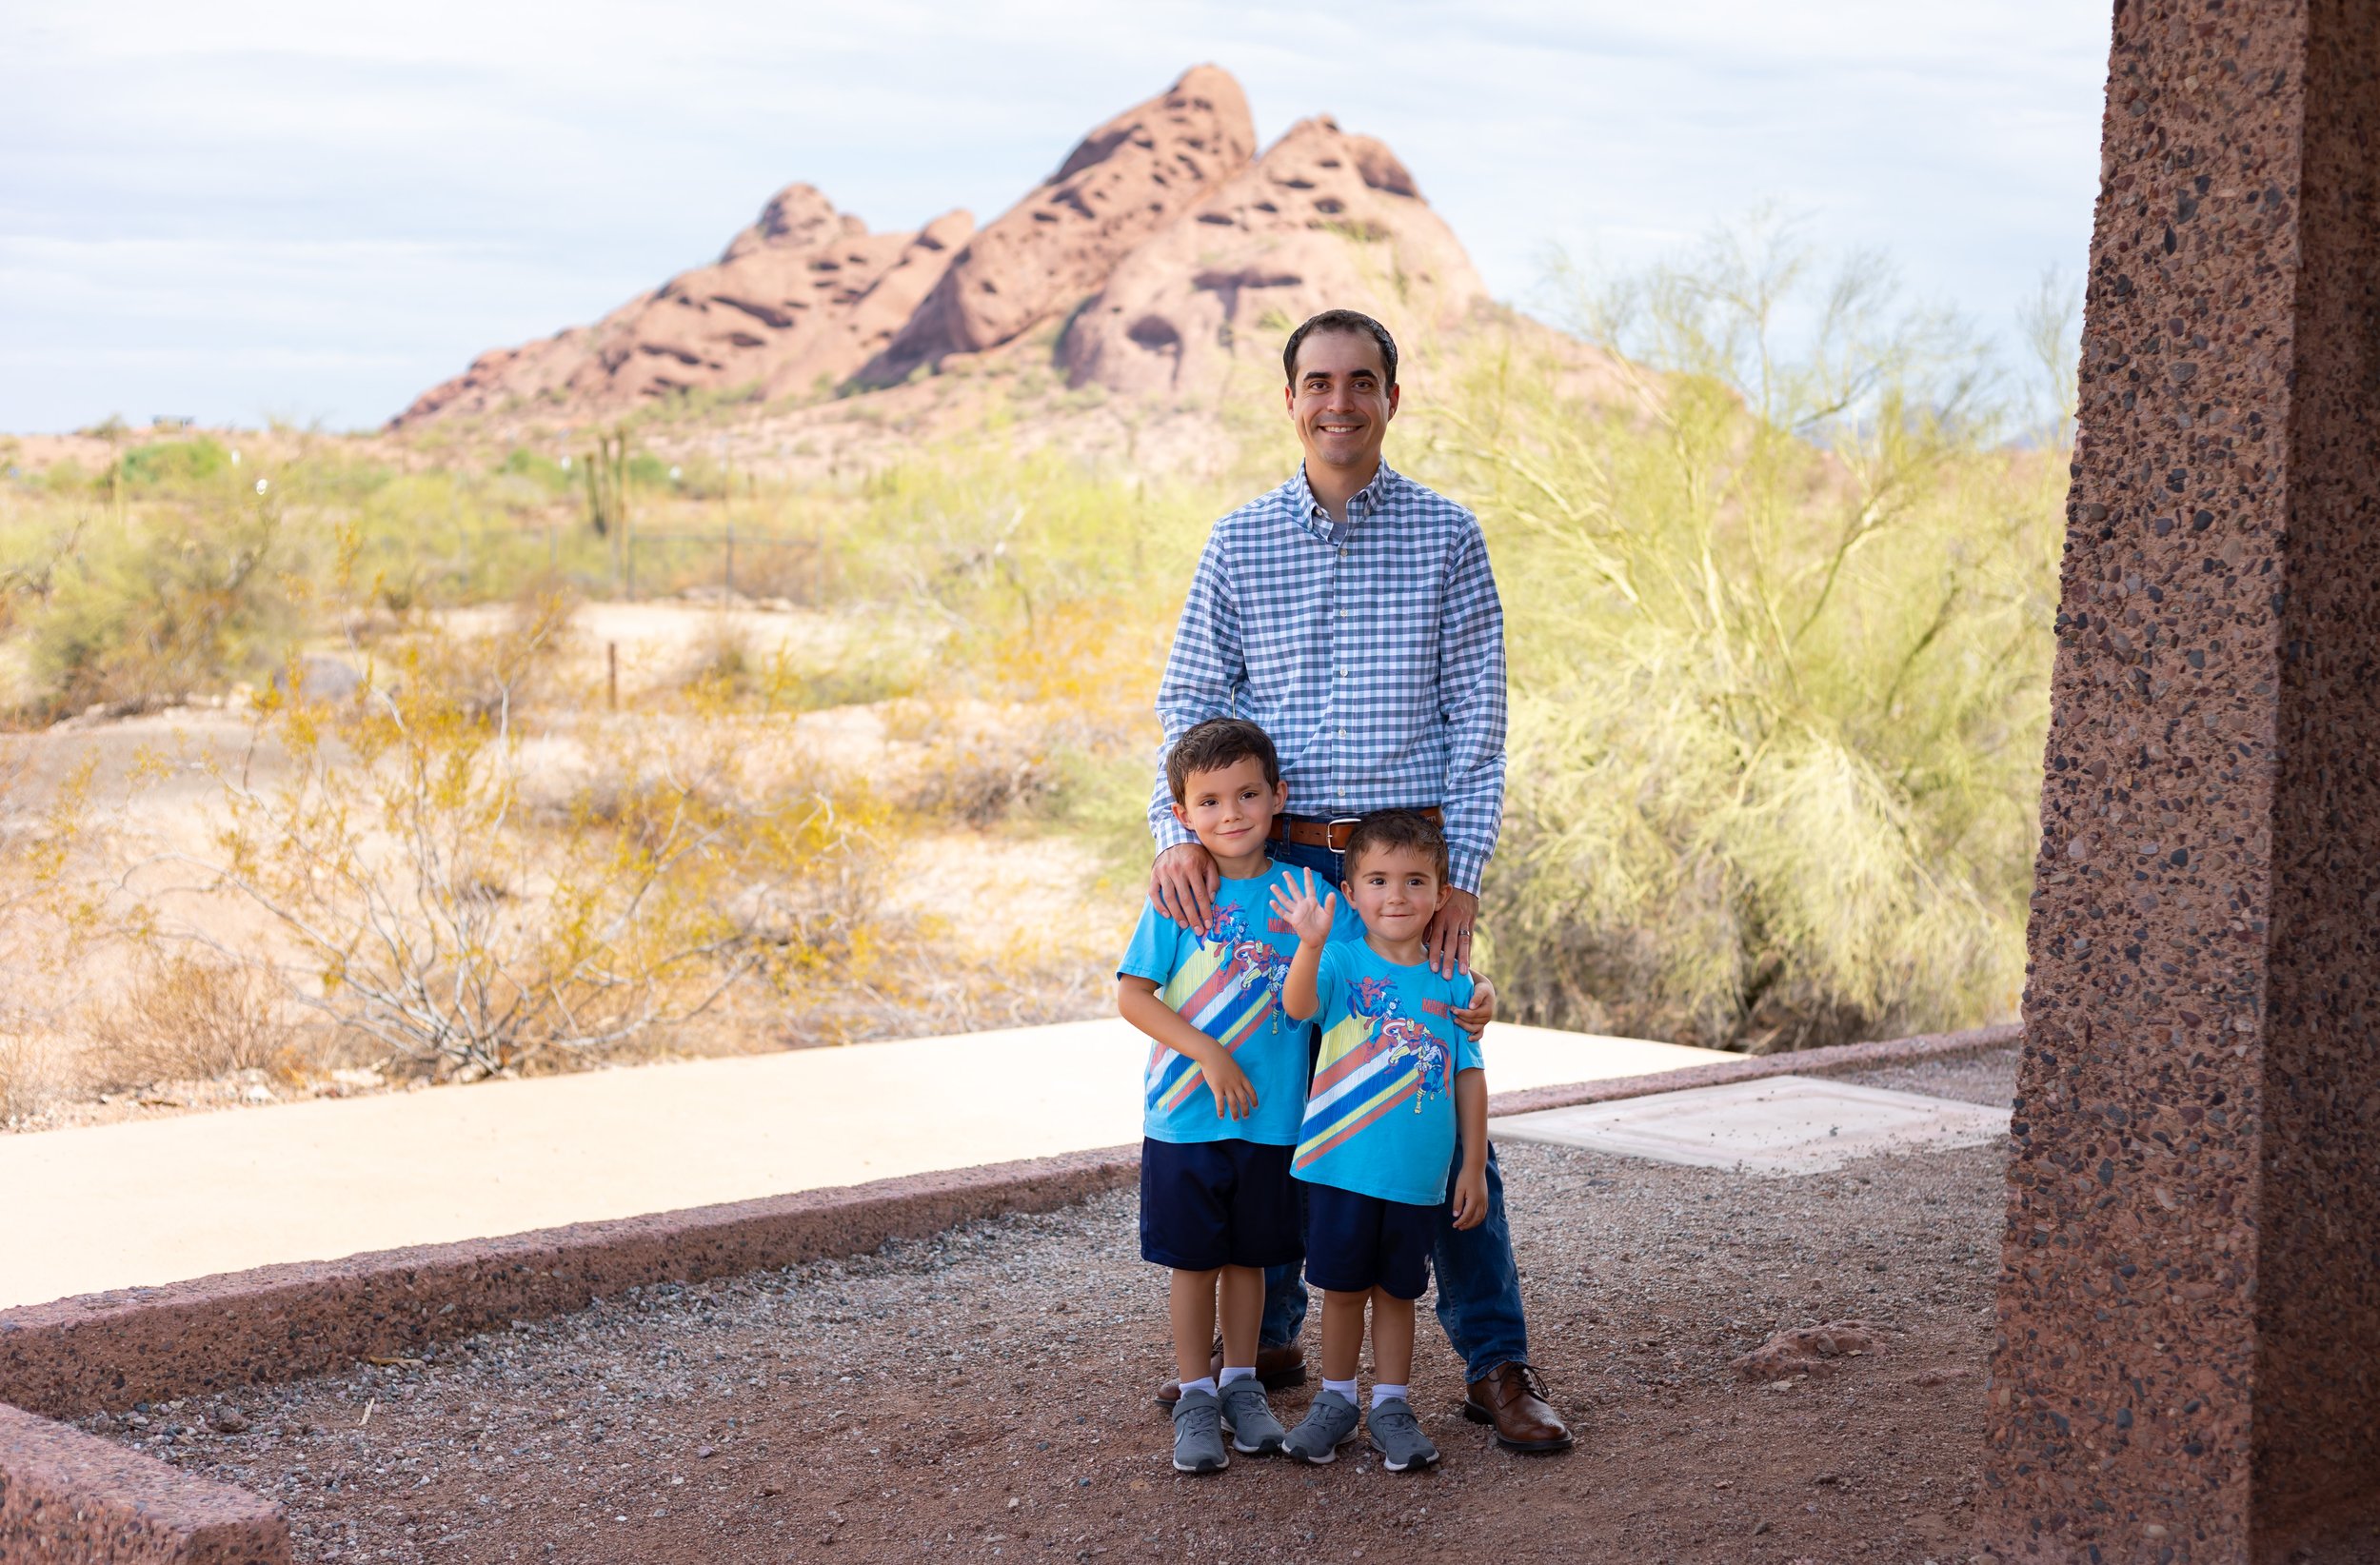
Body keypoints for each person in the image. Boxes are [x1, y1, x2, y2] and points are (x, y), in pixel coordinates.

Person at [1144, 307, 1572, 1454]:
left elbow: (1476, 726)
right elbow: (1188, 707)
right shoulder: (1237, 544)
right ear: (1288, 399)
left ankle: (1493, 1361)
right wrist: (1176, 833)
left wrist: (1462, 877)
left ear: (1393, 396)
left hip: (1399, 870)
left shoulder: (1447, 538)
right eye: (1318, 382)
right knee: (1284, 1099)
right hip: (1274, 864)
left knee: (1430, 1081)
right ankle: (1268, 1337)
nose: (1340, 401)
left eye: (1362, 382)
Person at [1116, 717, 1343, 1474]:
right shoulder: (1181, 896)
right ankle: (1196, 1396)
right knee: (1195, 1262)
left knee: (1252, 1259)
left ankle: (1243, 1386)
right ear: (1181, 813)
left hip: (1274, 1118)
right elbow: (1132, 996)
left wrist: (1313, 944)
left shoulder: (1307, 893)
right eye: (1210, 801)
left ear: (1279, 797)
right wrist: (1207, 1051)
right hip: (1185, 1118)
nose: (1232, 813)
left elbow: (1325, 999)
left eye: (1248, 794)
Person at [1270, 811, 1487, 1471]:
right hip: (1339, 1168)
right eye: (1379, 881)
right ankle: (1336, 1404)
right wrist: (1308, 943)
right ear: (1351, 892)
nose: (1397, 897)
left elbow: (1470, 1078)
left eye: (1415, 881)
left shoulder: (1453, 981)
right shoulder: (1339, 959)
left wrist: (1471, 1165)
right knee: (1341, 1291)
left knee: (1399, 1293)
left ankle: (1392, 1405)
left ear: (1442, 894)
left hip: (1417, 1179)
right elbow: (1298, 1006)